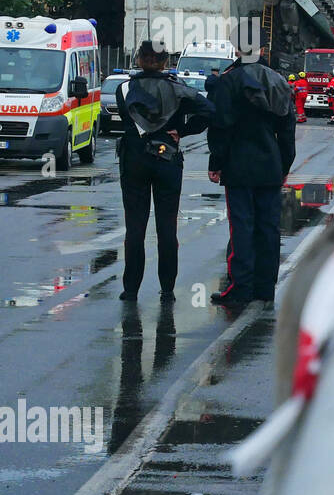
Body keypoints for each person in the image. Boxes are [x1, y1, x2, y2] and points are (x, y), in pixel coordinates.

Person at [116, 36, 213, 302]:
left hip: (134, 159)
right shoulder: (178, 88)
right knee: (167, 226)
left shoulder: (124, 89)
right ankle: (167, 288)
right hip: (168, 159)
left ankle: (131, 289)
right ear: (165, 62)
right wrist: (181, 130)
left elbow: (127, 118)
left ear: (139, 59)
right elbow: (208, 111)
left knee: (135, 227)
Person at [206, 55, 296, 306]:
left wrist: (216, 162)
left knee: (241, 227)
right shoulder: (278, 81)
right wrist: (285, 164)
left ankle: (240, 288)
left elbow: (220, 125)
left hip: (238, 165)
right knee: (269, 228)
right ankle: (265, 288)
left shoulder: (229, 81)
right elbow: (288, 129)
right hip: (271, 164)